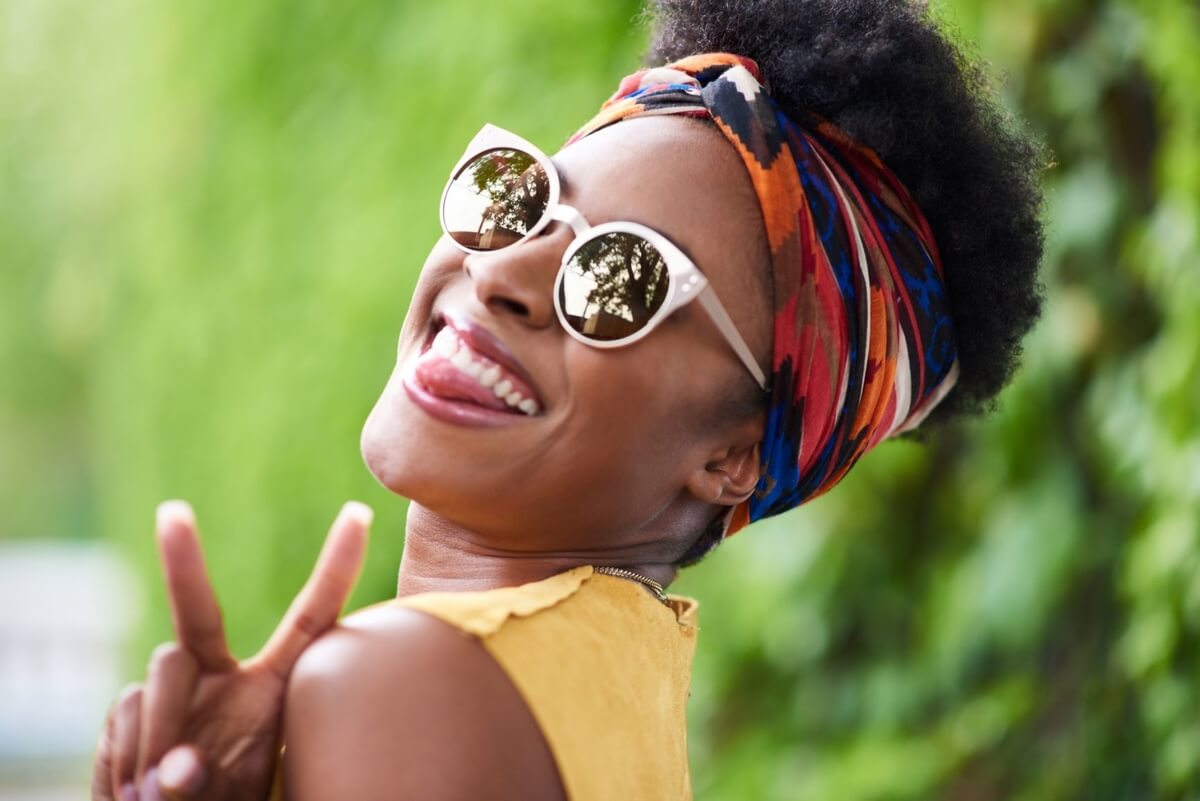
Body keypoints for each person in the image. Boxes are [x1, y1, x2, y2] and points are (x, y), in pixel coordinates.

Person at [92, 0, 1046, 798]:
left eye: (619, 277)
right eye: (521, 198)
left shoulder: (402, 686)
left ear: (732, 457)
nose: (503, 267)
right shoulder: (606, 711)